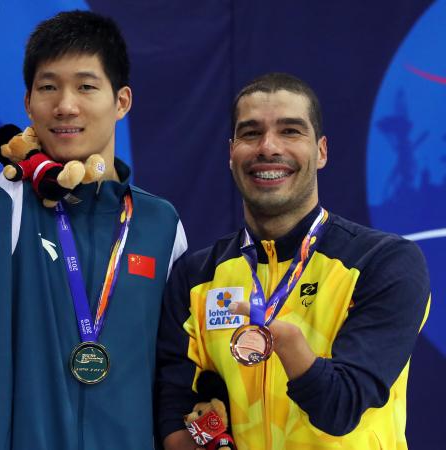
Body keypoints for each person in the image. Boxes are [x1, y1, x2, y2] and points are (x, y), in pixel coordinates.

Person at [156, 72, 431, 449]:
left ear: (321, 151)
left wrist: (286, 342)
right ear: (231, 152)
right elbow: (173, 403)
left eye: (290, 131)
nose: (268, 147)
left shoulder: (384, 262)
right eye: (251, 133)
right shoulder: (196, 277)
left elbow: (341, 408)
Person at [0, 11, 187, 450]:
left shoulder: (161, 225)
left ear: (121, 101)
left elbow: (174, 374)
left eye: (86, 86)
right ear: (28, 102)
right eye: (48, 87)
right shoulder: (5, 200)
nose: (66, 105)